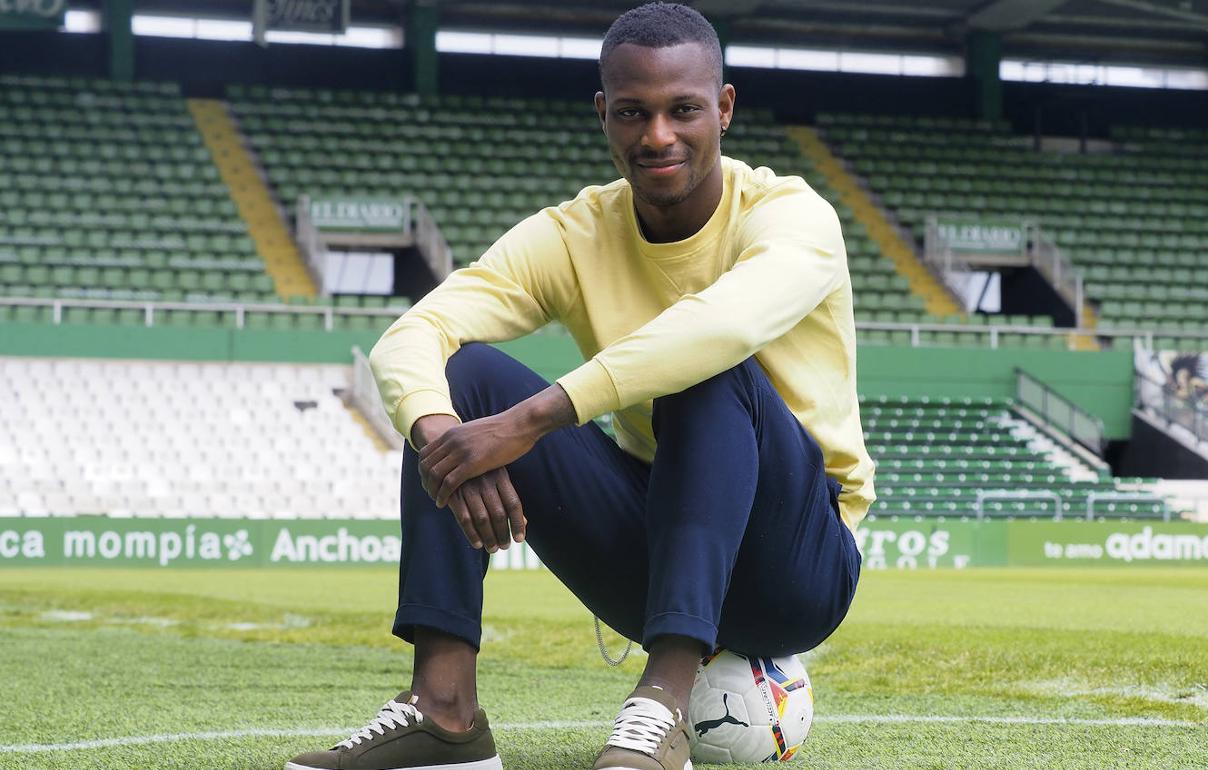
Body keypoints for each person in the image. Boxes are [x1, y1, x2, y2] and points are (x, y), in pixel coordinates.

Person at [286, 3, 873, 770]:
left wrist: (531, 420)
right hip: (657, 553)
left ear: (724, 109)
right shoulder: (576, 232)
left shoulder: (793, 217)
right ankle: (445, 714)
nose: (657, 134)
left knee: (703, 367)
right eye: (633, 112)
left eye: (683, 110)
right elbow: (412, 336)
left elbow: (719, 329)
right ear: (604, 115)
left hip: (796, 568)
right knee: (459, 383)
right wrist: (444, 440)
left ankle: (659, 712)